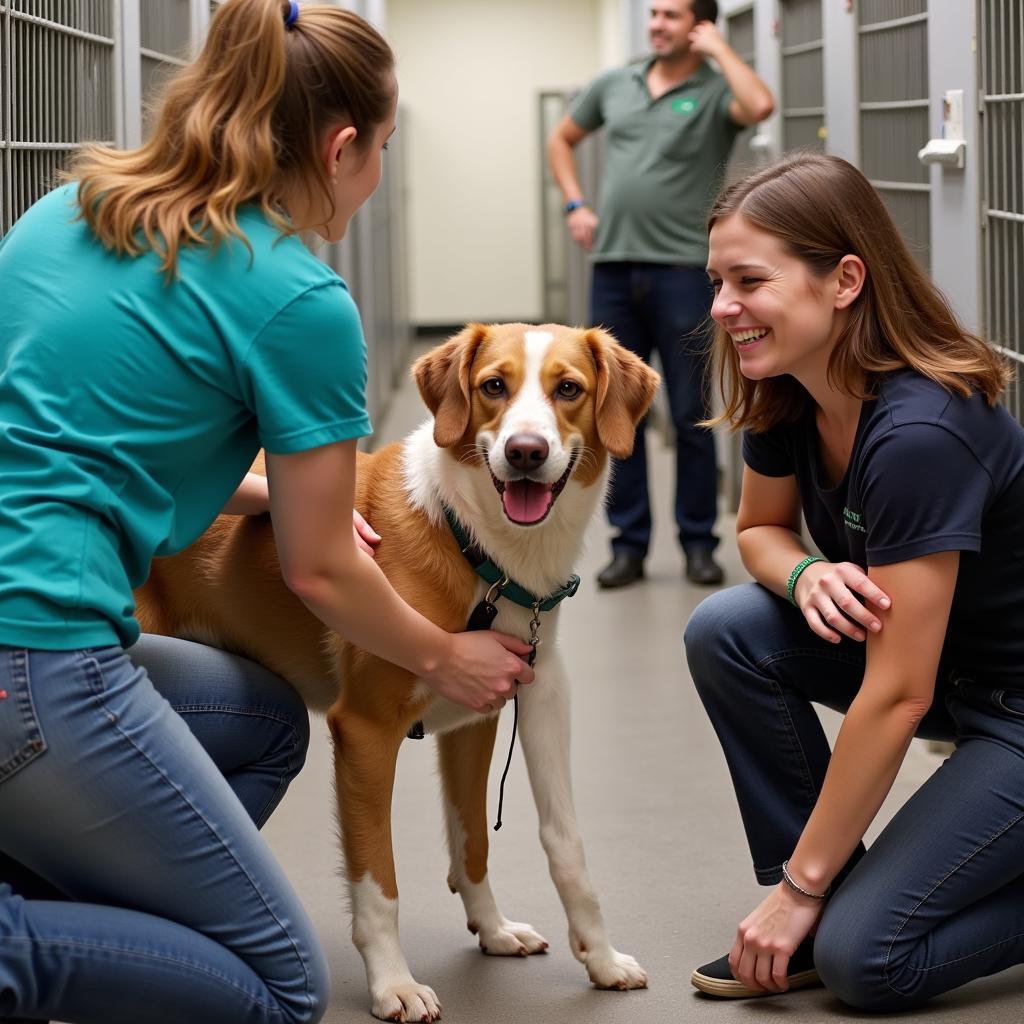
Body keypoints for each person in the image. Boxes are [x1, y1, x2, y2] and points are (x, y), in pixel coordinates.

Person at [0, 2, 535, 1022]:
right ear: (340, 149)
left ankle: (88, 919)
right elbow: (321, 571)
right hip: (35, 658)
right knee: (277, 986)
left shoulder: (65, 209)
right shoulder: (298, 300)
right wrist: (442, 654)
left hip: (25, 641)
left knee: (258, 718)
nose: (377, 174)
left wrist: (258, 491)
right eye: (380, 149)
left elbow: (67, 428)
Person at [684, 151, 1024, 1010]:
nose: (724, 308)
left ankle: (817, 906)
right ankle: (827, 899)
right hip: (954, 672)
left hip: (1009, 705)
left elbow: (897, 696)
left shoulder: (921, 433)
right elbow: (758, 530)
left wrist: (799, 889)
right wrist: (803, 574)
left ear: (843, 281)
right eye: (717, 281)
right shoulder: (788, 388)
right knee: (728, 629)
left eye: (749, 282)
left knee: (865, 959)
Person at [546, 0, 773, 589]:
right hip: (614, 268)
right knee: (615, 410)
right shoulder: (615, 84)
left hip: (684, 270)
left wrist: (719, 50)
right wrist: (576, 203)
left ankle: (698, 541)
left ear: (699, 24)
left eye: (671, 15)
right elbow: (562, 139)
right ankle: (629, 544)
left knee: (692, 410)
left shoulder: (716, 88)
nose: (656, 25)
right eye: (653, 14)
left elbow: (760, 105)